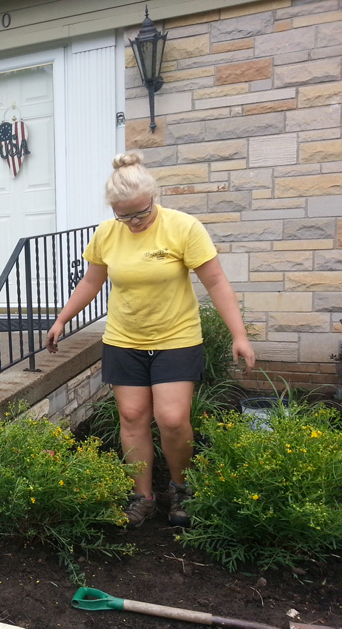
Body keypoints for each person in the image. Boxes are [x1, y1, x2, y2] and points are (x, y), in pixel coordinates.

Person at [45, 152, 255, 529]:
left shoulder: (183, 228)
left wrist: (239, 335)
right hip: (125, 339)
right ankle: (142, 496)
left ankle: (181, 488)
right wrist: (63, 318)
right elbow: (91, 282)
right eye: (123, 215)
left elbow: (216, 281)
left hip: (176, 338)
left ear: (153, 198)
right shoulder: (107, 234)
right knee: (131, 417)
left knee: (172, 419)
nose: (133, 222)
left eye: (140, 213)